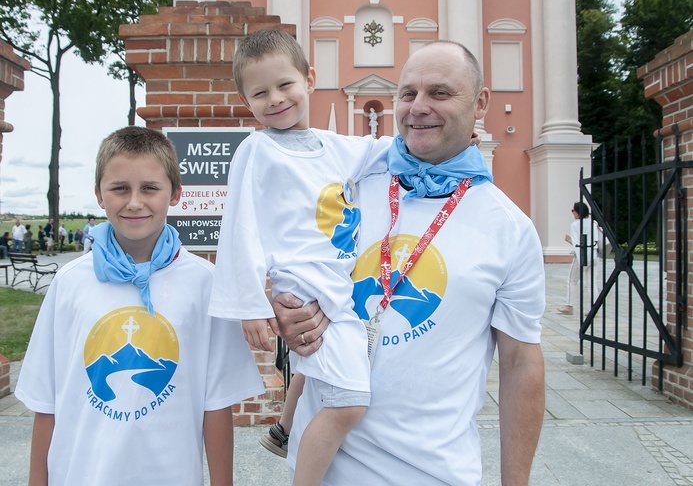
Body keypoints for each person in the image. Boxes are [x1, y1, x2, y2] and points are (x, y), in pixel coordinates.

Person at [272, 41, 546, 485]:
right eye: (407, 94)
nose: (418, 108)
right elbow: (294, 265)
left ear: (480, 103)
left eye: (440, 93)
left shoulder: (509, 227)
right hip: (320, 465)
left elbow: (521, 364)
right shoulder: (350, 187)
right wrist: (286, 306)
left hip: (431, 472)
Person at [15, 126, 264, 486]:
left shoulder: (206, 284)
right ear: (99, 194)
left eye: (149, 188)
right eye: (119, 188)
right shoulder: (69, 283)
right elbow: (46, 403)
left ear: (175, 193)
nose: (134, 202)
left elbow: (217, 404)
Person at [207, 28, 388, 486]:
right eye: (260, 93)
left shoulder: (335, 145)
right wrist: (249, 303)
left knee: (326, 378)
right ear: (247, 102)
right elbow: (240, 225)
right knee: (348, 400)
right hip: (304, 286)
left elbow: (385, 151)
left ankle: (285, 430)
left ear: (310, 77)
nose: (275, 99)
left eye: (285, 84)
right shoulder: (258, 150)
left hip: (339, 285)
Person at [558, 201, 597, 315]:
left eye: (573, 211)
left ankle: (569, 305)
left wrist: (569, 240)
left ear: (577, 212)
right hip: (594, 255)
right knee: (592, 283)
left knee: (572, 280)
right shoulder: (593, 223)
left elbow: (578, 243)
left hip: (582, 256)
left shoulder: (575, 225)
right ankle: (594, 307)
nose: (572, 213)